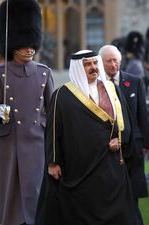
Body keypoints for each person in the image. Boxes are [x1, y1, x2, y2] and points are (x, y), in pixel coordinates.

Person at [35, 50, 135, 225]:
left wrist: (120, 140)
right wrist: (52, 162)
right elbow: (52, 132)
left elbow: (125, 122)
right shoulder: (62, 95)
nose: (93, 67)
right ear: (78, 68)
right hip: (78, 169)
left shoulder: (112, 90)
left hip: (109, 165)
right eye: (87, 64)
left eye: (95, 63)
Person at [0, 0, 54, 224]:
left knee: (36, 197)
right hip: (10, 142)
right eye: (25, 45)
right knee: (11, 198)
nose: (30, 48)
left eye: (32, 44)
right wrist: (0, 112)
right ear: (14, 44)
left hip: (37, 142)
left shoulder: (44, 73)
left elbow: (52, 109)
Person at [99, 44, 149, 225]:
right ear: (101, 63)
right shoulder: (98, 85)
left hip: (134, 144)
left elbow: (142, 114)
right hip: (110, 146)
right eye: (109, 61)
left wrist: (146, 143)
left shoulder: (134, 81)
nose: (113, 65)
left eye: (116, 60)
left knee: (133, 189)